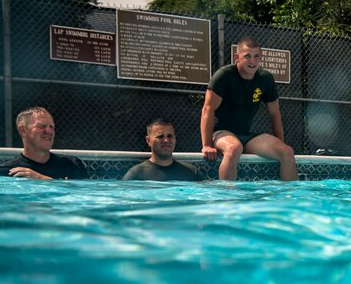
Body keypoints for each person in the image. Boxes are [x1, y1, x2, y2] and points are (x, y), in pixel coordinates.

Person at [200, 37, 297, 181]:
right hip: (221, 133)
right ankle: (226, 199)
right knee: (233, 148)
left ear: (261, 58)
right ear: (237, 57)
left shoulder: (265, 79)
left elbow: (274, 114)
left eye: (256, 56)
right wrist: (207, 144)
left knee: (287, 152)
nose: (253, 61)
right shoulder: (224, 75)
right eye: (248, 56)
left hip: (247, 136)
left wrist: (280, 144)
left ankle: (288, 199)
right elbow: (207, 110)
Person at [0, 107, 88, 180]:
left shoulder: (71, 164)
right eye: (42, 126)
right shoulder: (7, 172)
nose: (49, 131)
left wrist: (41, 179)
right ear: (23, 130)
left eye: (51, 126)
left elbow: (87, 195)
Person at [122, 119, 203, 181]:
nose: (166, 140)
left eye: (169, 136)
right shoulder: (136, 174)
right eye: (160, 136)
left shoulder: (191, 172)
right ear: (148, 141)